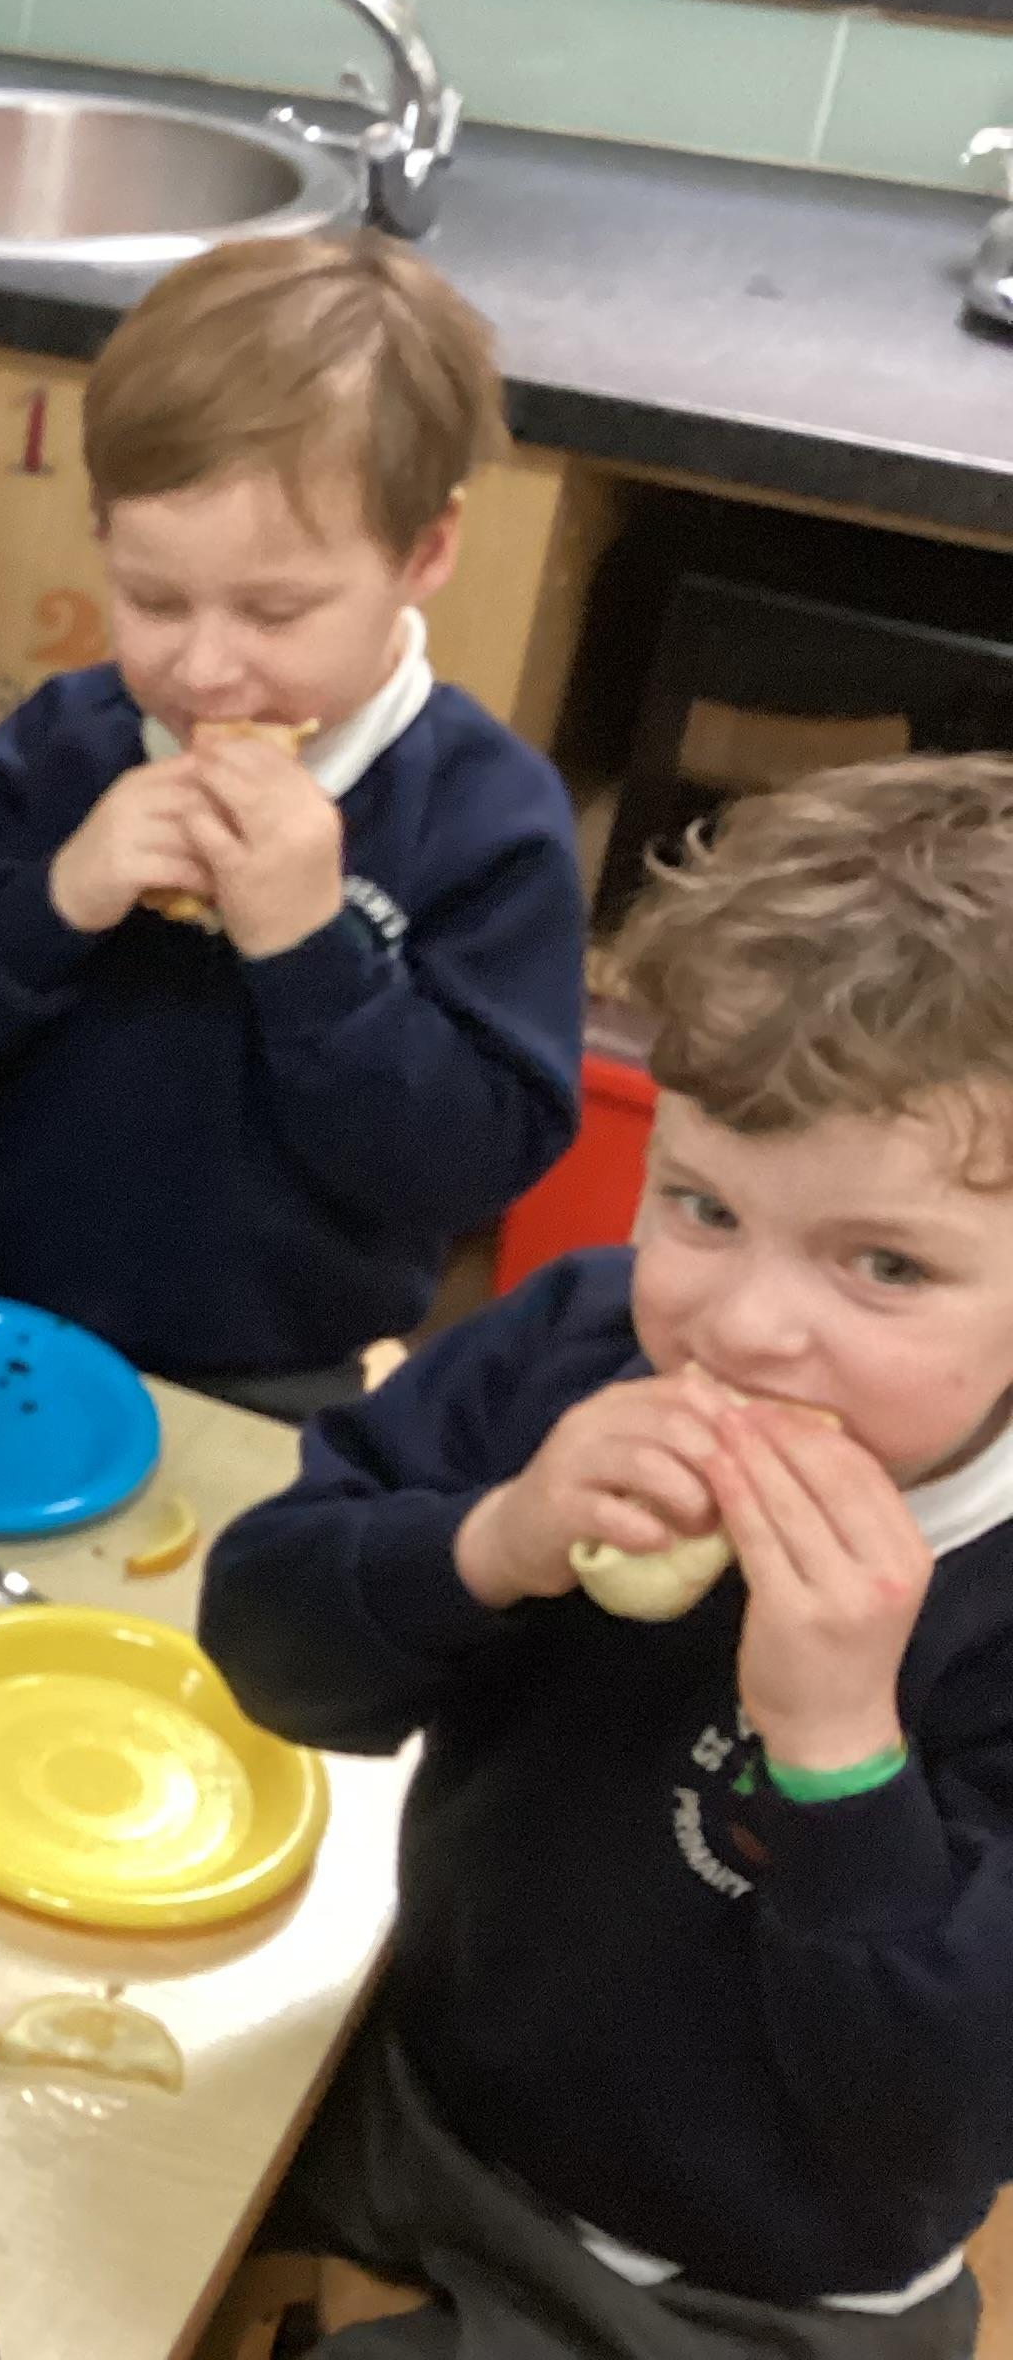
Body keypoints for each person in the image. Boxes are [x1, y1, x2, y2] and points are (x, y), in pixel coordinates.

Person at [199, 755, 1013, 2358]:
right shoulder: (573, 1354)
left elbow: (934, 2121)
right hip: (425, 2089)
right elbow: (266, 1645)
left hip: (735, 2283)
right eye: (702, 1208)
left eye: (884, 1264)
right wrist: (493, 1541)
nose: (746, 1328)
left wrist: (840, 1751)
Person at [0, 235, 585, 1419]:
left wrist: (311, 951)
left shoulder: (486, 819)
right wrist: (58, 899)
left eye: (274, 612)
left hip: (271, 1374)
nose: (203, 670)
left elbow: (467, 1167)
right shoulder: (66, 746)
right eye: (153, 599)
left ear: (426, 551)